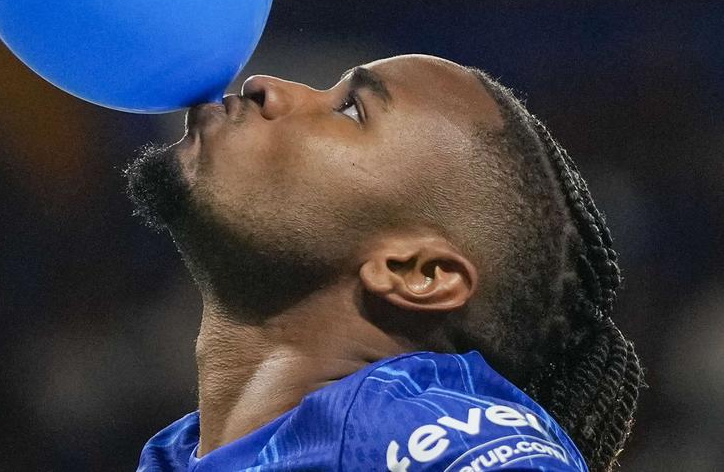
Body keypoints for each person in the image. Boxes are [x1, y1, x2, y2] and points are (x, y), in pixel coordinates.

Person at [125, 55, 643, 472]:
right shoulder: (174, 454)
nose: (266, 86)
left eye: (351, 110)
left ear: (417, 273)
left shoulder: (431, 431)